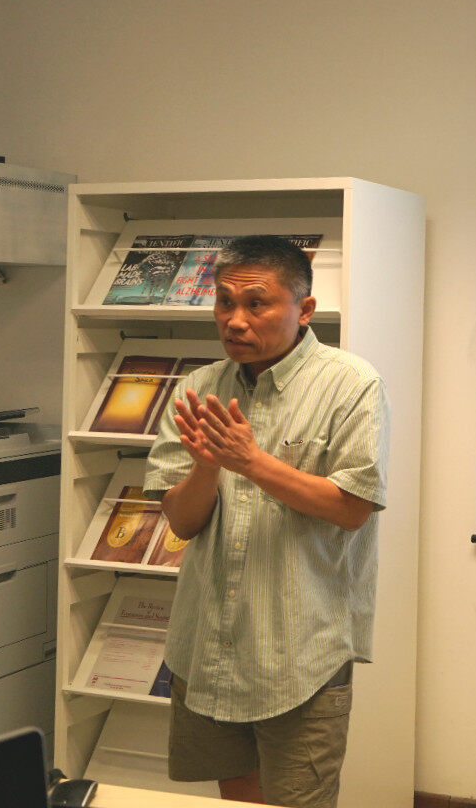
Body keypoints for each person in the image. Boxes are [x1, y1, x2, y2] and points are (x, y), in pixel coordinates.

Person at [144, 234, 388, 808]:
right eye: (225, 302)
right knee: (235, 799)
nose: (235, 320)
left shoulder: (352, 384)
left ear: (304, 309)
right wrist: (207, 466)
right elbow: (181, 522)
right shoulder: (199, 388)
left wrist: (251, 462)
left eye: (257, 304)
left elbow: (352, 508)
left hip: (300, 653)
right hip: (209, 644)